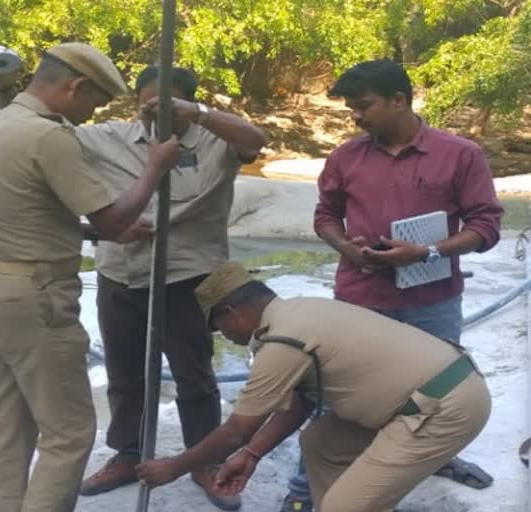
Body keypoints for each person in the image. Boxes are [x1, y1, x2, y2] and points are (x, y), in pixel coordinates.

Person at [269, 58, 506, 512]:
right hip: (360, 299)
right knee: (336, 398)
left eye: (363, 106)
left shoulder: (460, 154)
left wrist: (428, 251)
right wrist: (345, 245)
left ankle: (434, 457)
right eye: (351, 109)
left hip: (430, 301)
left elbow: (486, 225)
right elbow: (325, 216)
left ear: (399, 100)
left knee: (435, 394)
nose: (356, 117)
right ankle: (303, 492)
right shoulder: (345, 157)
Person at [0, 43, 180, 512]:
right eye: (92, 103)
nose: (89, 114)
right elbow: (114, 222)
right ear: (74, 86)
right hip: (32, 300)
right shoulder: (48, 136)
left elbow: (22, 211)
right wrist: (155, 168)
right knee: (69, 432)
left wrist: (88, 231)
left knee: (10, 421)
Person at [135, 261, 492, 512]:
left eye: (220, 328)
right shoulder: (301, 310)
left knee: (345, 507)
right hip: (431, 393)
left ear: (233, 313)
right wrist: (253, 454)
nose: (225, 338)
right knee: (320, 443)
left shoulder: (281, 342)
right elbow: (299, 404)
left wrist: (175, 467)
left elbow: (235, 432)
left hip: (445, 406)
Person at [75, 66, 265, 511]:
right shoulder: (110, 137)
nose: (153, 113)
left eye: (166, 106)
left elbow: (255, 141)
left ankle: (204, 460)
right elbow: (46, 139)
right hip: (121, 275)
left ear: (186, 104)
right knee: (124, 374)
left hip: (189, 277)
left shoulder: (215, 139)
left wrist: (197, 114)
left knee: (193, 374)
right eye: (146, 104)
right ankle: (128, 454)